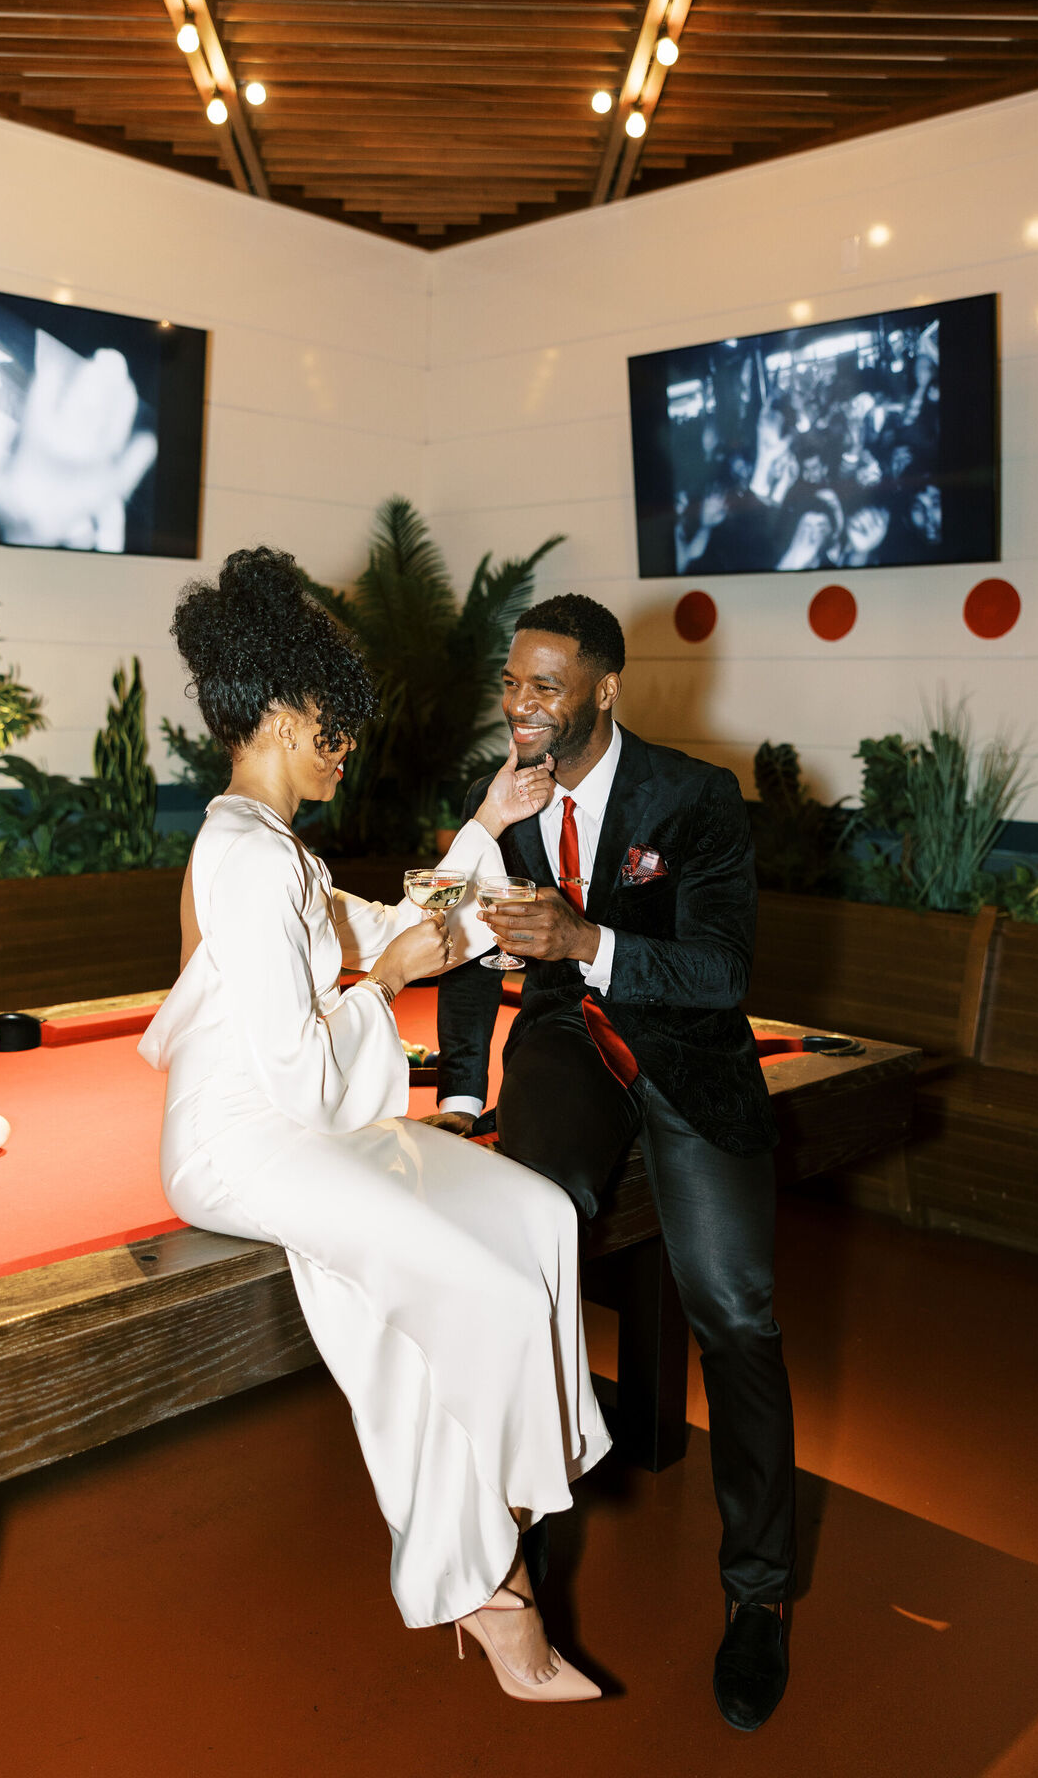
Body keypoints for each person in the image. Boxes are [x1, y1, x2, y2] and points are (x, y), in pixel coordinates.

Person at [138, 548, 611, 1704]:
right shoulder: (241, 855)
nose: (344, 750)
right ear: (286, 711)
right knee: (478, 1292)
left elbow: (403, 916)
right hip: (243, 1146)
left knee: (540, 1213)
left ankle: (494, 1494)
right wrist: (391, 978)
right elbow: (304, 1069)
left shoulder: (277, 853)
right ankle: (485, 1582)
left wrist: (489, 821)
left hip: (309, 1129)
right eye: (334, 729)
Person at [431, 592, 796, 1732]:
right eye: (512, 682)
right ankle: (500, 1566)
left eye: (545, 686)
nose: (521, 705)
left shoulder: (693, 797)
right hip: (561, 1046)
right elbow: (457, 942)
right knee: (530, 1242)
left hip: (689, 1057)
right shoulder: (506, 800)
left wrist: (590, 940)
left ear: (604, 689)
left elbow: (722, 973)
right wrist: (455, 1094)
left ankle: (762, 1599)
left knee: (734, 1309)